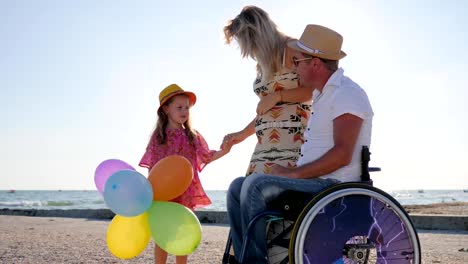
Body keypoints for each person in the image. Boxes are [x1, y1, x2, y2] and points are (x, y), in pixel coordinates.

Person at [226, 24, 374, 263]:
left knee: (254, 185)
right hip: (314, 183)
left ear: (315, 63)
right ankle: (247, 258)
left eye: (299, 62)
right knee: (236, 187)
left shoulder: (347, 93)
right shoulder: (321, 96)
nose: (294, 66)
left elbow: (343, 154)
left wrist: (293, 174)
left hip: (333, 186)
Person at [139, 83, 232, 264]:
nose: (184, 111)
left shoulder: (192, 135)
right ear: (166, 109)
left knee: (182, 231)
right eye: (179, 107)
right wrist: (151, 192)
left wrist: (225, 151)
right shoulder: (159, 137)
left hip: (185, 191)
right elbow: (154, 167)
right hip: (164, 193)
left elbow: (207, 156)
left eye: (187, 108)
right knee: (163, 232)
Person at [223, 5, 313, 176]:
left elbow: (314, 88)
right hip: (265, 146)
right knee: (244, 192)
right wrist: (242, 134)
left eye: (245, 42)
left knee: (265, 194)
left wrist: (278, 95)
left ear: (256, 34)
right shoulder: (263, 62)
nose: (247, 49)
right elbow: (267, 107)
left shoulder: (292, 49)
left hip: (293, 141)